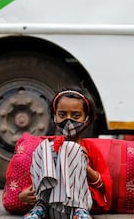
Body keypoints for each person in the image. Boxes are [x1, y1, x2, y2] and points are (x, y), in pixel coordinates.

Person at [21, 89, 112, 219]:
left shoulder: (91, 149)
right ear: (54, 116)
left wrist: (84, 167)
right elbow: (36, 180)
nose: (68, 120)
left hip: (77, 208)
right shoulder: (49, 146)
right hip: (50, 207)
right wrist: (23, 196)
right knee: (43, 147)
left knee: (71, 149)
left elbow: (104, 186)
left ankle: (79, 210)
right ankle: (39, 207)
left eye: (75, 116)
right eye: (62, 115)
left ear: (86, 119)